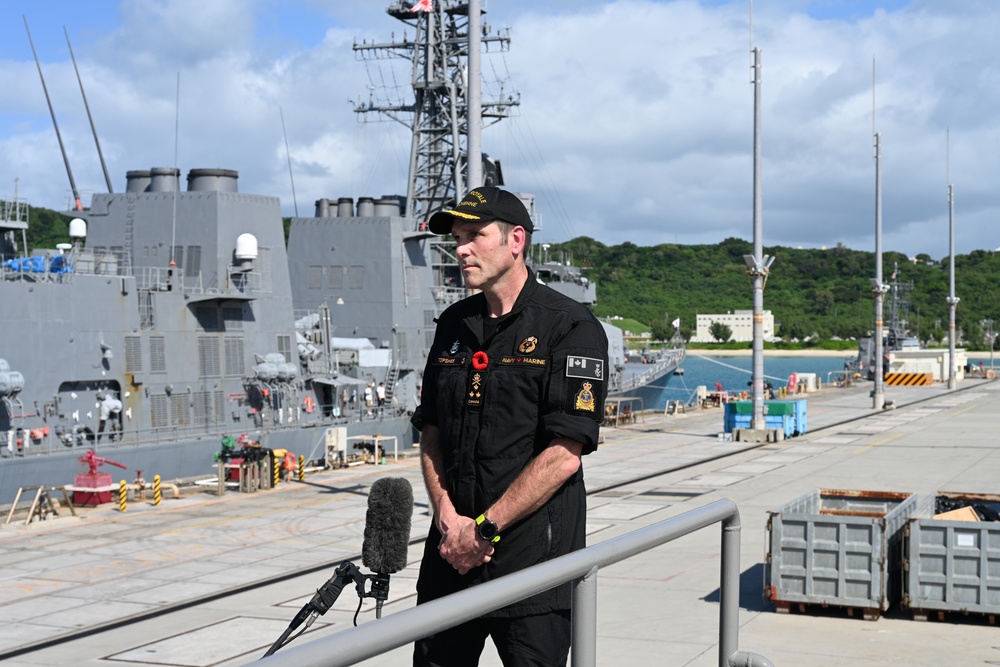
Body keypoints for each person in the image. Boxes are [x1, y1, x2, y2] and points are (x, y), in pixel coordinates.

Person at [411, 186, 609, 667]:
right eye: (457, 238)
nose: (461, 249)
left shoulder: (570, 327)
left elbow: (565, 453)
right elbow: (432, 430)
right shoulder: (453, 325)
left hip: (530, 570)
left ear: (515, 240)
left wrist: (485, 528)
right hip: (451, 558)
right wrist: (448, 518)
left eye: (475, 235)